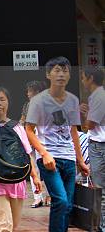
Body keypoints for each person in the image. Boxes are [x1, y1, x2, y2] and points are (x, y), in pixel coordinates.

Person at [25, 56, 90, 232]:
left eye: (65, 71)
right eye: (57, 71)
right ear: (48, 74)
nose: (61, 74)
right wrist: (44, 153)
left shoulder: (72, 101)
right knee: (60, 200)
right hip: (49, 159)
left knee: (68, 206)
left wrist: (80, 160)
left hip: (68, 158)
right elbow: (29, 130)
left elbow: (73, 131)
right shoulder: (38, 101)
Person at [0, 87, 42, 232]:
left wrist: (35, 177)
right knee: (4, 226)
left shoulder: (17, 128)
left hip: (18, 181)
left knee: (14, 225)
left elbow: (27, 154)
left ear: (8, 103)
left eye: (2, 99)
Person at [80, 65, 105, 231]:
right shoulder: (98, 96)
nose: (82, 81)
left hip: (99, 146)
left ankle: (103, 226)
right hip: (98, 145)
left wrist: (83, 114)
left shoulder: (98, 96)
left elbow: (89, 126)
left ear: (90, 78)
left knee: (100, 188)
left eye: (83, 77)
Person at [20, 80, 50, 208]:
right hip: (30, 139)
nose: (28, 93)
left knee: (48, 168)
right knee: (33, 169)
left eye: (30, 91)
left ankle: (50, 195)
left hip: (44, 140)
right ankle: (38, 197)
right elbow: (22, 120)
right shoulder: (27, 105)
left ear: (37, 91)